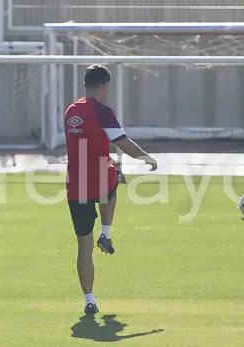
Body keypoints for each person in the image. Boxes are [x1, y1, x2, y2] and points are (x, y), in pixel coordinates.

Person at [64, 64, 158, 314]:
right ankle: (105, 232)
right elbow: (123, 143)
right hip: (99, 179)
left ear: (84, 84)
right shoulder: (103, 111)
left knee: (84, 247)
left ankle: (89, 300)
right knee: (115, 176)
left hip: (75, 185)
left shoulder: (70, 111)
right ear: (105, 86)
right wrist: (148, 158)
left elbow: (84, 144)